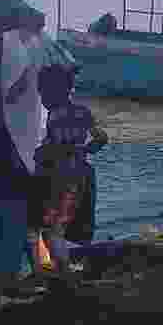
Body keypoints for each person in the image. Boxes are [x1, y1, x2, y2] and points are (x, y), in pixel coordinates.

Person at [0, 0, 56, 290]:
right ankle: (42, 263)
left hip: (5, 118)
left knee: (7, 201)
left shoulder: (8, 39)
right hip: (27, 120)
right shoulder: (38, 40)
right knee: (26, 209)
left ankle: (6, 270)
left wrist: (5, 25)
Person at [31, 63, 108, 274]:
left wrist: (41, 153)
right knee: (74, 228)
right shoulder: (83, 111)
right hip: (81, 174)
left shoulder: (55, 116)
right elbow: (101, 138)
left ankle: (63, 273)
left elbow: (56, 148)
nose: (40, 96)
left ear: (52, 91)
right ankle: (74, 268)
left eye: (42, 90)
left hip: (61, 178)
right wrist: (84, 149)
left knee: (50, 230)